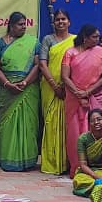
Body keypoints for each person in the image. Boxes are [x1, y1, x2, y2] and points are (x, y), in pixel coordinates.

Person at [62, 25, 102, 175]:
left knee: (99, 127)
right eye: (94, 37)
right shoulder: (70, 53)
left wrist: (87, 92)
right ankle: (78, 167)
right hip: (74, 99)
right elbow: (65, 76)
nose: (98, 40)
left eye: (98, 36)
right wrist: (78, 93)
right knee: (75, 133)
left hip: (98, 97)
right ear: (85, 38)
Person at [0, 12, 42, 172]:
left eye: (25, 24)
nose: (24, 27)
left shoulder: (33, 42)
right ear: (11, 26)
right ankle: (7, 159)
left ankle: (28, 161)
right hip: (6, 90)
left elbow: (38, 65)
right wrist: (7, 84)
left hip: (28, 88)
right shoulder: (0, 43)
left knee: (28, 124)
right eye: (20, 24)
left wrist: (25, 82)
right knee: (7, 124)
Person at [40, 9, 75, 174]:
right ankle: (52, 162)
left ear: (69, 22)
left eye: (63, 19)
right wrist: (55, 86)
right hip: (50, 87)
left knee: (68, 125)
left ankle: (67, 163)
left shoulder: (75, 40)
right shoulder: (48, 39)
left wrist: (68, 85)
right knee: (50, 123)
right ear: (53, 23)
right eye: (57, 19)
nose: (60, 22)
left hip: (70, 88)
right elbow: (42, 64)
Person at [71, 108, 102, 198]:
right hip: (88, 171)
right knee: (80, 180)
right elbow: (83, 164)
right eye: (92, 121)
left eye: (99, 119)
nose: (96, 122)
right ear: (89, 123)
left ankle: (100, 187)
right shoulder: (83, 139)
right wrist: (96, 176)